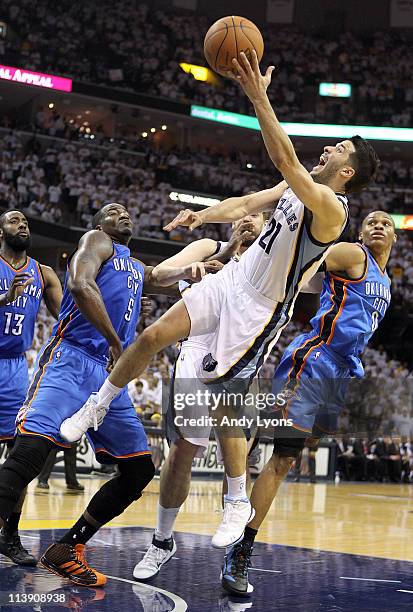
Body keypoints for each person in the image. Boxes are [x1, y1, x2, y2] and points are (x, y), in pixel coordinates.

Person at [67, 52, 379, 551]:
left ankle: (237, 500)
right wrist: (202, 216)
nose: (329, 149)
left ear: (346, 173)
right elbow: (245, 204)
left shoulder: (329, 209)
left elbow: (285, 159)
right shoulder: (294, 189)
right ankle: (95, 406)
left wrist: (258, 96)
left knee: (224, 401)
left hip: (260, 307)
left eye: (339, 149)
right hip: (233, 278)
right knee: (152, 335)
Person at [0, 202, 211, 587]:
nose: (125, 214)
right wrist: (117, 342)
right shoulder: (96, 241)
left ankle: (67, 549)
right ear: (99, 224)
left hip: (107, 377)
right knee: (31, 449)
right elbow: (81, 286)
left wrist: (192, 268)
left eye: (128, 211)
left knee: (138, 470)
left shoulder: (131, 264)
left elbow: (155, 276)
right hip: (71, 359)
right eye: (114, 211)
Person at [221, 210, 395, 595]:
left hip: (340, 374)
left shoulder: (386, 280)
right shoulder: (353, 255)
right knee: (283, 455)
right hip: (315, 359)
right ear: (362, 233)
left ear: (395, 239)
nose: (379, 226)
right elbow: (309, 262)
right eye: (372, 222)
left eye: (387, 223)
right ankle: (240, 547)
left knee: (291, 455)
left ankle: (245, 437)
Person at [134, 213, 265, 581]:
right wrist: (188, 270)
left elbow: (316, 280)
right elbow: (157, 276)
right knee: (181, 452)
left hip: (242, 356)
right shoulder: (209, 248)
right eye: (244, 216)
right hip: (196, 351)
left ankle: (234, 559)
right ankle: (162, 541)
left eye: (258, 216)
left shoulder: (273, 262)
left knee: (237, 456)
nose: (249, 221)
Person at [0, 210, 62, 566]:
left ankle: (10, 534)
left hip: (15, 371)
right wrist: (5, 298)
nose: (22, 225)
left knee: (20, 457)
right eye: (13, 221)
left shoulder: (43, 273)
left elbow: (68, 318)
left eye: (24, 221)